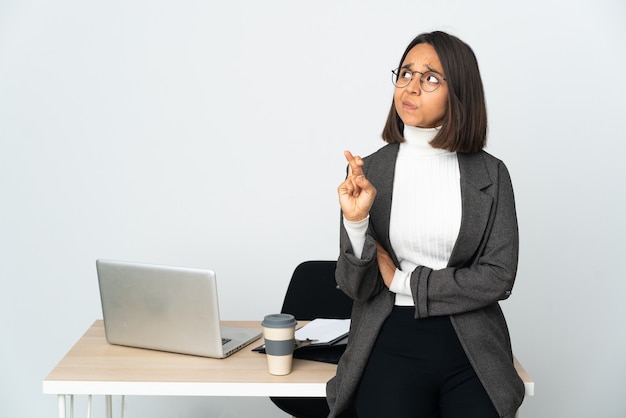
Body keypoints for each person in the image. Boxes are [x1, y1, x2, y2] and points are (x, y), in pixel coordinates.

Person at [327, 31, 525, 418]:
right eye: (405, 73)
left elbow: (498, 277)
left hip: (470, 341)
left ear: (460, 93)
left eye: (431, 78)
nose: (412, 87)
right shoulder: (370, 172)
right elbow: (356, 286)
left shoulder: (491, 174)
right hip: (389, 335)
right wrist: (356, 223)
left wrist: (404, 282)